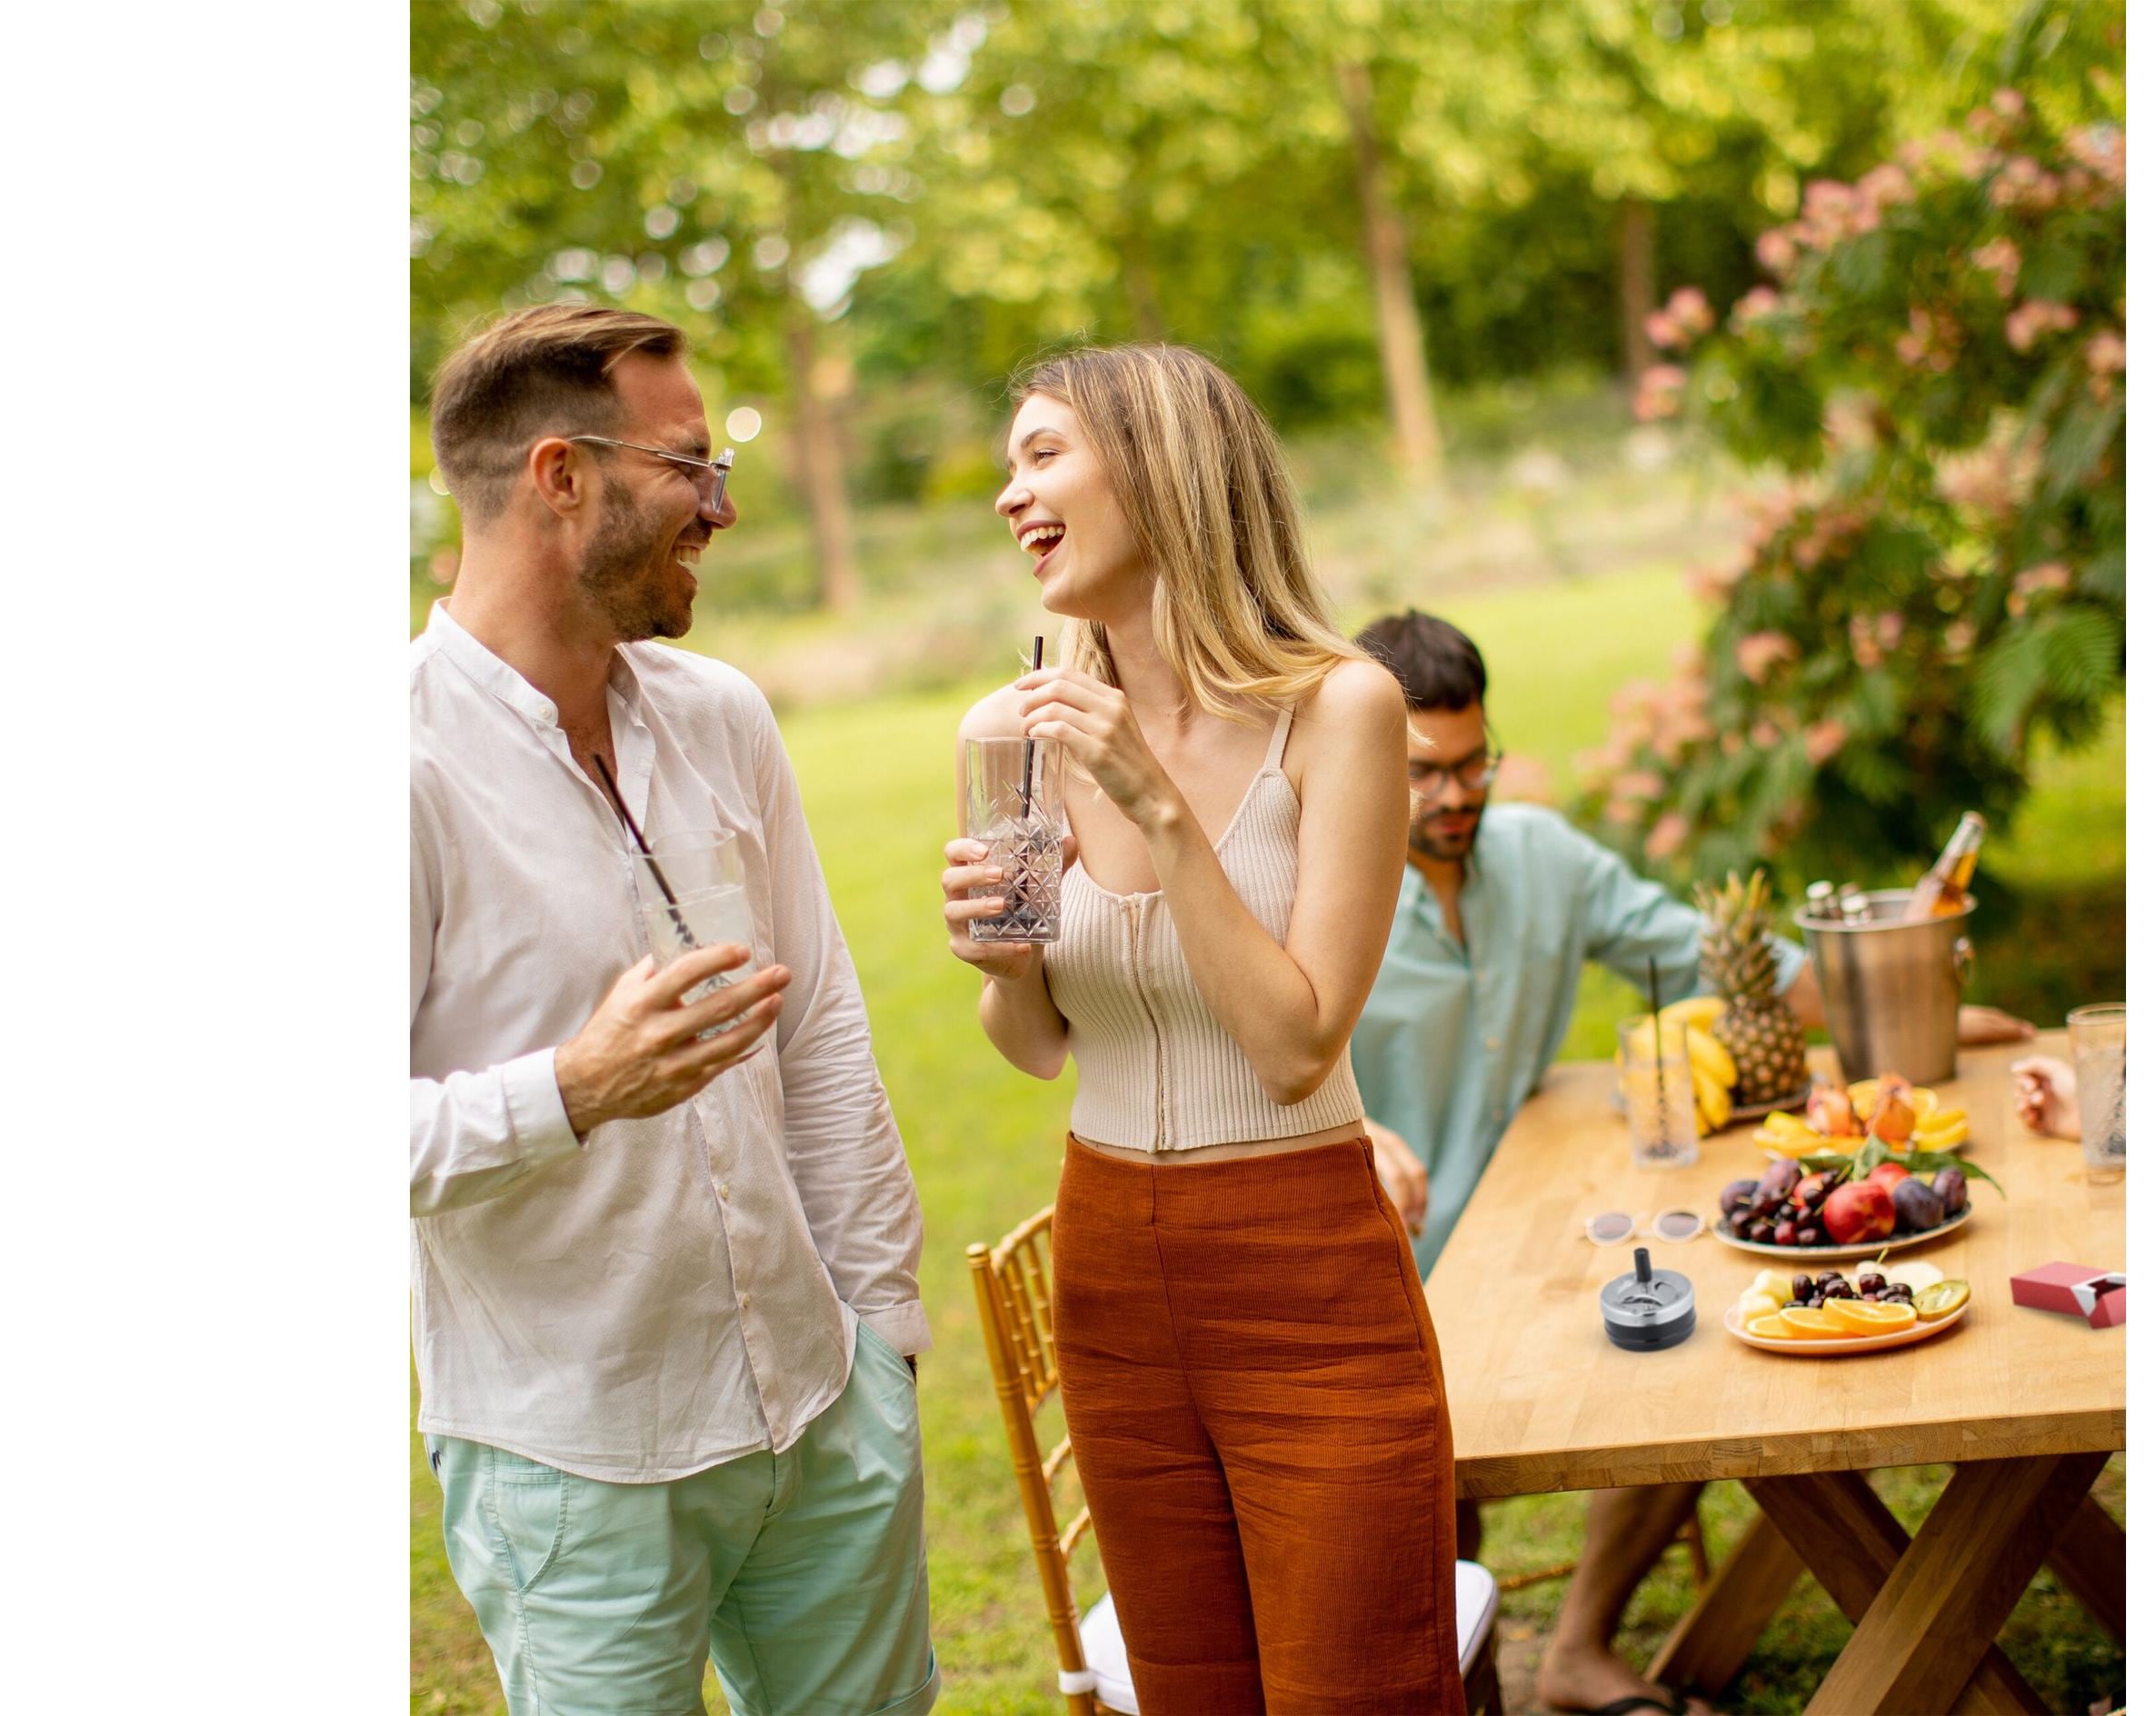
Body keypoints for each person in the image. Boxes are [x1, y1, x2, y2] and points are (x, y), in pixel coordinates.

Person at [1346, 609, 2033, 1716]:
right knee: (1438, 1478)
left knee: (1681, 1335)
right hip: (1389, 1267)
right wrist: (1352, 1128)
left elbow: (1720, 952)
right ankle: (1461, 1690)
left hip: (1537, 1237)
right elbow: (1253, 1047)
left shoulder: (1540, 858)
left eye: (1475, 763)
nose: (1457, 795)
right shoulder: (1318, 883)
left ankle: (1574, 1647)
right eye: (1426, 772)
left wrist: (1911, 1015)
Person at [412, 304, 938, 1716]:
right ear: (559, 478)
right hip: (576, 1471)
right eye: (689, 466)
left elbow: (822, 1023)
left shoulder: (721, 717)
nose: (723, 504)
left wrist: (877, 1339)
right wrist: (572, 1089)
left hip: (823, 1417)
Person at [942, 344, 1463, 1714]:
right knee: (1188, 1694)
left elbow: (1295, 1047)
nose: (1012, 494)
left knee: (1359, 1691)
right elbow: (1040, 1041)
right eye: (1014, 463)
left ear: (1163, 469)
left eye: (1044, 454)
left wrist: (1156, 803)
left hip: (1308, 1275)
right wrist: (1000, 962)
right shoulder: (1009, 732)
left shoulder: (1341, 707)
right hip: (1113, 1274)